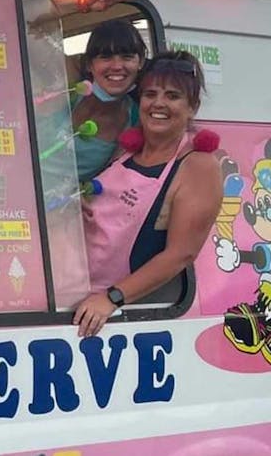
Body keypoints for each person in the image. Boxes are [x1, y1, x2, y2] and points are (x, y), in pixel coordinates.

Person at [73, 50, 222, 337]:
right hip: (75, 290)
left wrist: (112, 298)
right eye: (150, 94)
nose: (158, 103)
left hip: (112, 313)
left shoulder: (198, 165)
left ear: (193, 106)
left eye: (172, 96)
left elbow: (181, 253)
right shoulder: (126, 150)